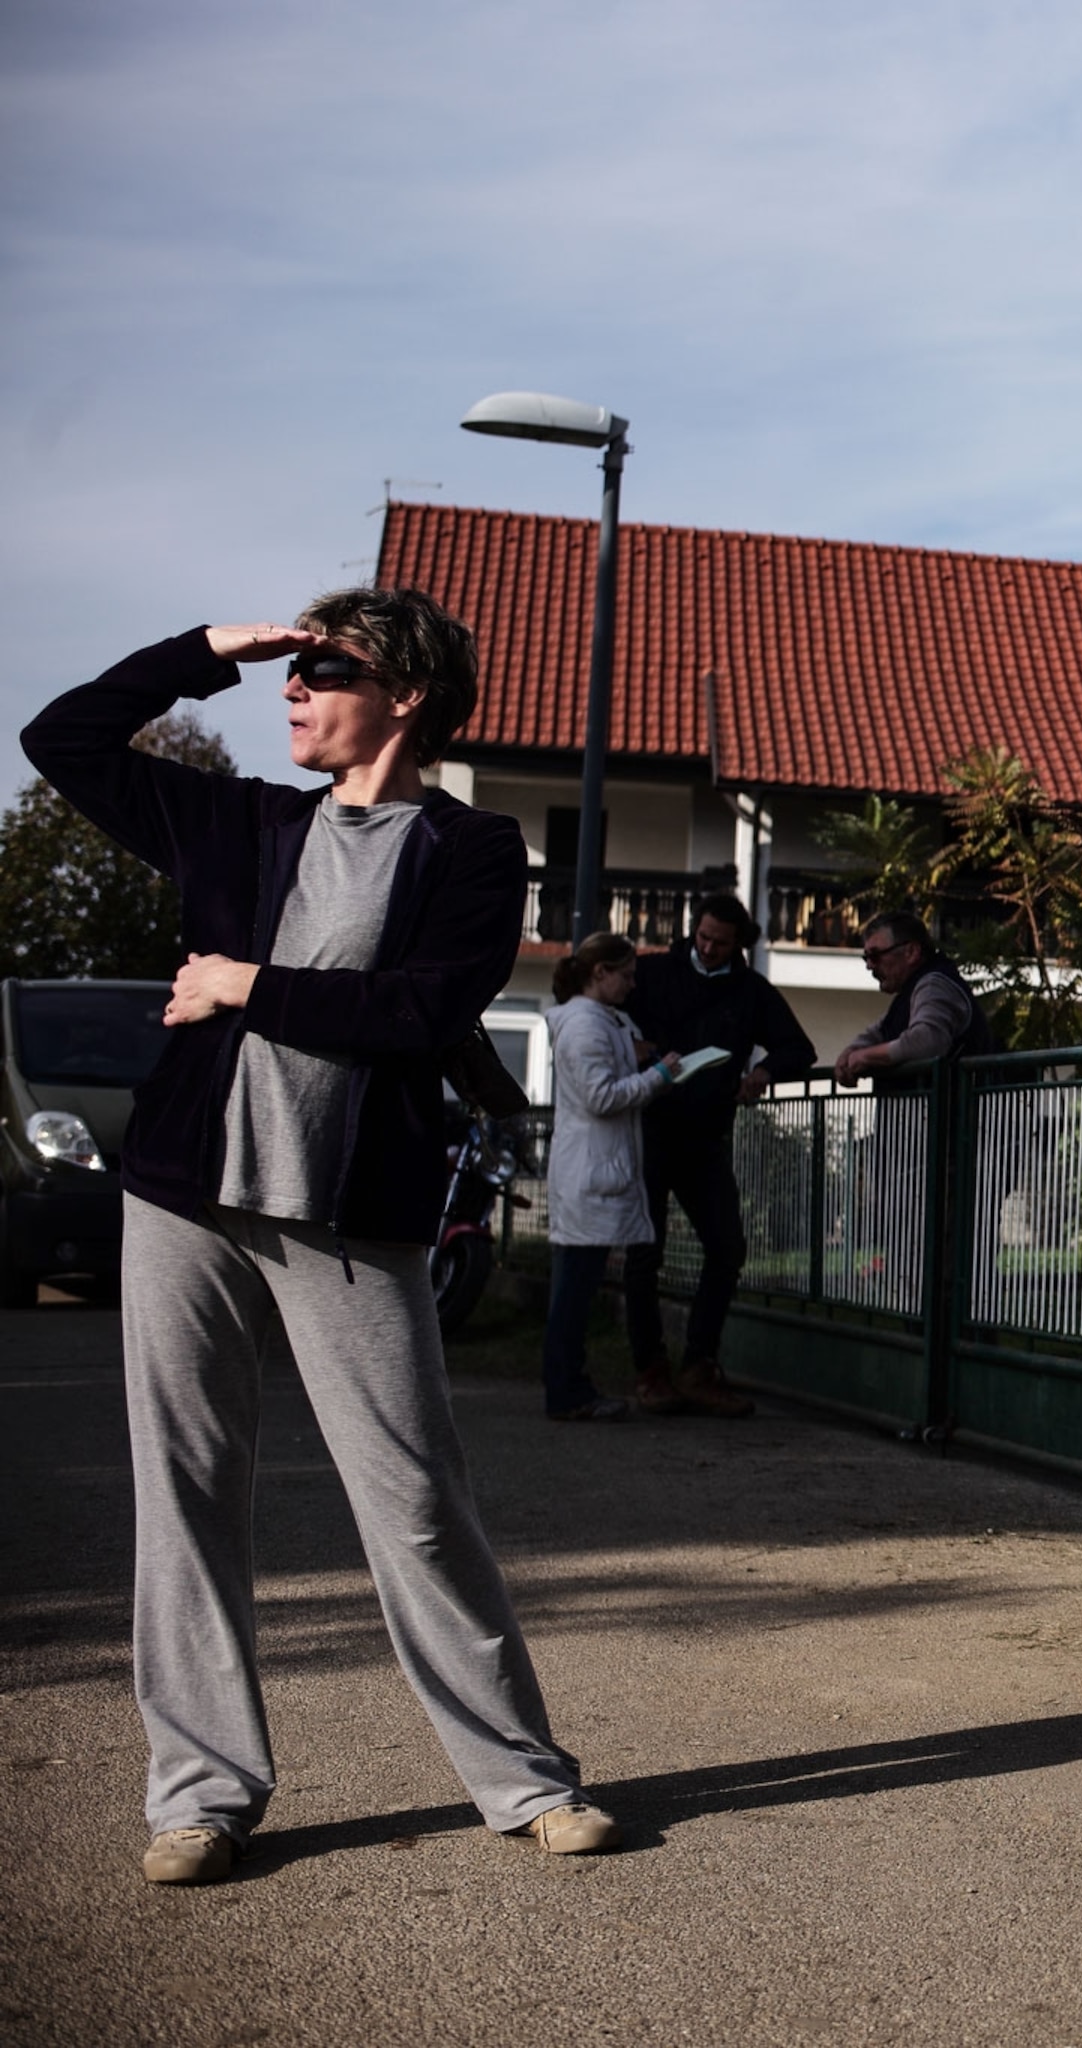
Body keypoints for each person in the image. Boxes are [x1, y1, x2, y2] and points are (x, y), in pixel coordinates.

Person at [18, 592, 621, 1885]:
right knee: (185, 1496)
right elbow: (61, 740)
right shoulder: (242, 821)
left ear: (406, 693)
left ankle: (522, 1780)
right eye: (289, 670)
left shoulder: (471, 850)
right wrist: (208, 652)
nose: (294, 688)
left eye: (323, 668)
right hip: (183, 1195)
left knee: (414, 1499)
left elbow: (422, 1010)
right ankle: (200, 1796)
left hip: (349, 1217)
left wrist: (242, 984)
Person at [624, 893, 815, 1417]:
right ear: (693, 930)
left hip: (705, 1137)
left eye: (720, 943)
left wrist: (763, 1074)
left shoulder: (751, 992)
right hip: (649, 1128)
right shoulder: (651, 973)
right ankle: (650, 1370)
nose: (708, 948)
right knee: (645, 1251)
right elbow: (600, 1008)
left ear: (739, 945)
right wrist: (633, 1048)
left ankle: (698, 1365)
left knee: (727, 1247)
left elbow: (798, 1048)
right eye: (703, 938)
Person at [543, 932, 684, 1423]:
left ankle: (569, 1387)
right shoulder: (585, 1026)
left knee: (575, 1289)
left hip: (590, 1169)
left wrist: (637, 1058)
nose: (631, 984)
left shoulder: (597, 1022)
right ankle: (567, 1391)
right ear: (599, 972)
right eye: (625, 974)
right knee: (574, 1292)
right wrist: (659, 1077)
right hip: (589, 1172)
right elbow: (601, 1098)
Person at [832, 909, 995, 1084]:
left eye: (875, 956)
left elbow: (926, 1042)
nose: (870, 966)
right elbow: (879, 1032)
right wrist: (850, 1053)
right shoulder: (912, 991)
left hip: (947, 1109)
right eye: (866, 958)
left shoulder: (934, 986)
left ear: (911, 952)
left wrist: (865, 1056)